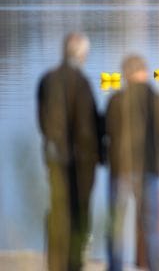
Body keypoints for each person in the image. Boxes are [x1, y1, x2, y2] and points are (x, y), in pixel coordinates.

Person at [37, 32, 102, 271]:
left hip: (53, 156)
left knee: (57, 205)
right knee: (80, 208)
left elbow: (43, 122)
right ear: (81, 54)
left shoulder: (47, 80)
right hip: (80, 160)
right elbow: (87, 126)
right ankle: (75, 260)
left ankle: (54, 256)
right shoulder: (81, 83)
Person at [106, 54, 159, 271]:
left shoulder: (116, 100)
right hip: (149, 168)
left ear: (126, 75)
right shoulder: (158, 101)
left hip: (121, 168)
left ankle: (115, 267)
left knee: (116, 224)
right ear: (144, 73)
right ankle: (155, 267)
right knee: (151, 226)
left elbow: (106, 130)